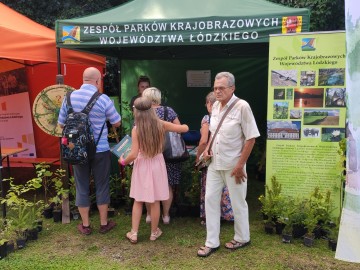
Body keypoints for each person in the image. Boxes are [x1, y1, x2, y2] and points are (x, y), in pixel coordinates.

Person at [197, 72, 260, 257]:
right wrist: (207, 149)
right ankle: (211, 242)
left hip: (235, 166)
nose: (217, 91)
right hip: (215, 164)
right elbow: (213, 134)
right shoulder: (215, 106)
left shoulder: (242, 106)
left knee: (238, 202)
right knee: (210, 200)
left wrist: (241, 165)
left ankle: (242, 238)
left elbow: (251, 139)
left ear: (232, 88)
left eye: (221, 88)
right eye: (215, 88)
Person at [58, 67, 121, 235]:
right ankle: (103, 223)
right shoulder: (103, 99)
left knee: (81, 186)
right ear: (98, 81)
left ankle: (85, 225)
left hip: (76, 150)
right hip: (100, 149)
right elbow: (117, 123)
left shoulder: (69, 97)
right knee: (102, 185)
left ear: (83, 79)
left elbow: (61, 124)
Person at [119, 97, 188, 243]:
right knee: (155, 200)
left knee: (138, 200)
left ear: (135, 111)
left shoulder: (136, 129)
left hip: (142, 165)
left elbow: (133, 154)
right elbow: (184, 129)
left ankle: (134, 233)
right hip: (157, 163)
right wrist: (184, 126)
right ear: (152, 110)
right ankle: (154, 232)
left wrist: (123, 161)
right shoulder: (160, 124)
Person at [142, 87, 182, 225]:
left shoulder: (144, 112)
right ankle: (165, 215)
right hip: (169, 154)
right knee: (167, 185)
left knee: (149, 185)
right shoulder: (168, 111)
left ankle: (149, 214)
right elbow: (179, 128)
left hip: (150, 153)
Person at [196, 91, 234, 226]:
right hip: (225, 155)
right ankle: (227, 214)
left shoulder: (207, 119)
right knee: (225, 185)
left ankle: (211, 216)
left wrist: (198, 157)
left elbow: (203, 141)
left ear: (210, 104)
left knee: (211, 187)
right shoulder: (229, 116)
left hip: (210, 157)